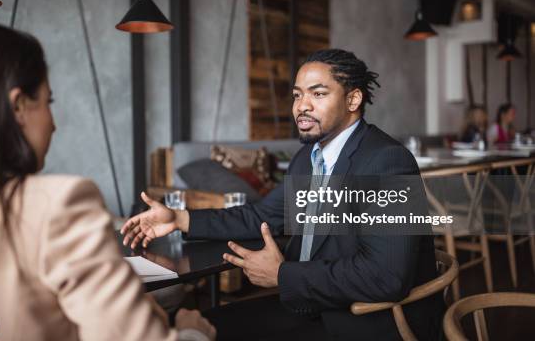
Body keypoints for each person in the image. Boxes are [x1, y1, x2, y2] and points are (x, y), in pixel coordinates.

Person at [122, 49, 441, 340]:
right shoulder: (308, 159)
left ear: (353, 100)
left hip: (366, 323)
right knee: (199, 324)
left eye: (318, 93)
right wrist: (179, 218)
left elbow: (386, 277)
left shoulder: (387, 161)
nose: (302, 105)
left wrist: (282, 274)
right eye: (298, 95)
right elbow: (261, 216)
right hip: (312, 305)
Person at [0, 24, 215, 341]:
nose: (54, 124)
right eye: (49, 102)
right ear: (19, 106)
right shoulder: (58, 205)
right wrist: (191, 332)